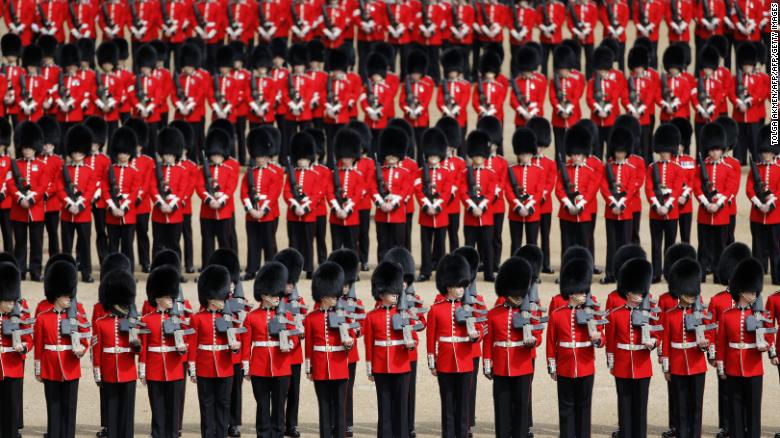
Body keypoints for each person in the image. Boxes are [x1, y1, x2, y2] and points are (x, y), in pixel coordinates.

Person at [716, 258, 777, 438]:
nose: (755, 293)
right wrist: (721, 366)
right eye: (752, 290)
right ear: (742, 292)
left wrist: (766, 346)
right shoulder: (727, 316)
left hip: (754, 367)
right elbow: (721, 343)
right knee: (735, 411)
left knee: (753, 411)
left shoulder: (760, 315)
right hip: (734, 368)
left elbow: (768, 335)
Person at [546, 257, 603, 438]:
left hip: (585, 365)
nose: (585, 295)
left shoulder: (591, 312)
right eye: (581, 292)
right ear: (571, 293)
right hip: (565, 366)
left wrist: (597, 339)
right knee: (566, 408)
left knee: (584, 407)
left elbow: (602, 338)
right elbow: (550, 343)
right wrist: (552, 368)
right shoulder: (557, 315)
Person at [484, 256, 539, 438]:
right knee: (502, 408)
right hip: (500, 366)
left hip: (522, 365)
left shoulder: (529, 312)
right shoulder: (493, 314)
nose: (518, 298)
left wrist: (532, 342)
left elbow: (537, 336)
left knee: (522, 408)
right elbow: (488, 341)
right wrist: (487, 364)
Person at [34, 260, 90, 438]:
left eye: (69, 295)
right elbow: (39, 347)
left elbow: (85, 335)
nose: (69, 299)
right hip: (50, 367)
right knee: (53, 407)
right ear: (57, 296)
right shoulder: (43, 318)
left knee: (69, 408)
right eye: (66, 296)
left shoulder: (77, 313)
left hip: (70, 365)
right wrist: (38, 369)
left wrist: (82, 349)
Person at [427, 254, 481, 438]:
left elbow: (480, 330)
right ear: (448, 287)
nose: (461, 290)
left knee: (464, 404)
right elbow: (430, 339)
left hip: (465, 361)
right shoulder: (436, 309)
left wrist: (475, 336)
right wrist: (432, 362)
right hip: (445, 362)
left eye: (462, 286)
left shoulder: (469, 308)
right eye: (457, 286)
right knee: (447, 404)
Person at [242, 261, 296, 438]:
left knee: (279, 406)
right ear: (264, 295)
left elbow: (294, 338)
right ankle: (263, 434)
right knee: (263, 406)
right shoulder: (251, 317)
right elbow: (246, 344)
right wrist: (246, 368)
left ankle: (278, 434)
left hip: (281, 365)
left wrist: (289, 342)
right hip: (259, 367)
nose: (278, 297)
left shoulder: (286, 315)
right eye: (274, 294)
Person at [606, 258, 658, 438]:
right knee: (624, 405)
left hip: (642, 364)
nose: (640, 295)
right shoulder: (616, 314)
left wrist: (653, 343)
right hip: (622, 364)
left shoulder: (649, 312)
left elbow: (659, 333)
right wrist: (611, 361)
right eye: (636, 292)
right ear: (628, 293)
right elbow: (611, 340)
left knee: (641, 407)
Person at [662, 258, 714, 438]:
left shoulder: (700, 314)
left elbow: (710, 334)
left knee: (696, 406)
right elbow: (666, 342)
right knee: (681, 406)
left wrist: (706, 343)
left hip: (697, 363)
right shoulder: (669, 316)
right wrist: (666, 368)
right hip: (677, 365)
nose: (691, 296)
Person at [140, 265, 191, 438]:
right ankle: (158, 433)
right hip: (154, 368)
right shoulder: (146, 320)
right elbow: (144, 347)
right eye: (168, 297)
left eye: (172, 296)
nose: (171, 300)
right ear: (158, 298)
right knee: (157, 405)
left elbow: (188, 340)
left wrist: (183, 349)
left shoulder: (179, 319)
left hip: (174, 367)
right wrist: (142, 370)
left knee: (173, 406)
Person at [305, 262, 354, 438]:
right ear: (324, 295)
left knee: (340, 407)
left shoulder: (342, 315)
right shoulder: (311, 318)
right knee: (324, 407)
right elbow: (309, 346)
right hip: (320, 367)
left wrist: (349, 342)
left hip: (339, 365)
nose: (336, 298)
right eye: (333, 295)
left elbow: (350, 340)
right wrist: (309, 368)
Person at [188, 265, 239, 438]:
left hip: (224, 366)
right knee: (207, 405)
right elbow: (193, 345)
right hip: (205, 367)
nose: (224, 299)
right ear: (211, 298)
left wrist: (235, 347)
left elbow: (234, 340)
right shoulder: (197, 319)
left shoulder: (228, 318)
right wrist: (193, 370)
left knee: (224, 404)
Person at [365, 260, 414, 438]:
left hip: (400, 365)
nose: (395, 294)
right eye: (392, 292)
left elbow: (414, 338)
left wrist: (410, 343)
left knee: (401, 407)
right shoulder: (371, 316)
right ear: (381, 292)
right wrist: (370, 368)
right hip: (380, 366)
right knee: (384, 407)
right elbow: (369, 344)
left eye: (396, 292)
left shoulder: (404, 313)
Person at [92, 269, 139, 438]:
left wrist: (136, 345)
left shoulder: (132, 322)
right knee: (111, 412)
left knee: (127, 413)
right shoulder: (101, 323)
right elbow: (96, 350)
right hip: (110, 372)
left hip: (127, 371)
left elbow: (137, 347)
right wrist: (98, 372)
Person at [326, 249, 365, 436]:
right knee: (332, 391)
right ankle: (334, 422)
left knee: (347, 391)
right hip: (333, 352)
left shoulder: (356, 303)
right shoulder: (328, 303)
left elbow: (363, 323)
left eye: (348, 285)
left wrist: (357, 330)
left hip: (350, 354)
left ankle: (347, 423)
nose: (345, 288)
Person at [694, 123, 739, 282]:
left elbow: (729, 189)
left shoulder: (728, 167)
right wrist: (706, 203)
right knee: (704, 246)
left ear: (722, 149)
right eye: (712, 149)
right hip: (705, 213)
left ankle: (720, 275)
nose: (714, 152)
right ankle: (702, 275)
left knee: (721, 246)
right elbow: (696, 187)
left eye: (717, 149)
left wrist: (718, 203)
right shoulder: (702, 166)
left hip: (721, 214)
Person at [273, 248, 307, 438]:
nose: (292, 286)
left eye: (293, 283)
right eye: (289, 283)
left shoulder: (299, 300)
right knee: (280, 393)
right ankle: (277, 422)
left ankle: (291, 424)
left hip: (294, 353)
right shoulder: (274, 300)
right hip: (279, 352)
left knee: (294, 392)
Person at [241, 129, 283, 280]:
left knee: (269, 242)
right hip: (252, 214)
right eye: (257, 156)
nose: (259, 159)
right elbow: (243, 191)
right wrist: (251, 209)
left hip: (268, 214)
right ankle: (252, 269)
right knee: (253, 242)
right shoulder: (249, 172)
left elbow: (274, 193)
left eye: (262, 156)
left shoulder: (275, 172)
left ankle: (271, 269)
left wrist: (262, 211)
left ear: (267, 156)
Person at [58, 125, 98, 282]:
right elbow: (59, 188)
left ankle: (86, 273)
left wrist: (79, 205)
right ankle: (67, 273)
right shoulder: (65, 169)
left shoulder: (89, 170)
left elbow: (90, 191)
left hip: (83, 214)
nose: (77, 155)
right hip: (68, 214)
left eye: (80, 152)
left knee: (84, 245)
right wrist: (69, 204)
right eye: (75, 152)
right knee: (67, 247)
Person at [646, 124, 685, 283]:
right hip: (655, 212)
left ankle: (669, 273)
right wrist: (657, 205)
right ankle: (656, 273)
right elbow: (648, 188)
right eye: (661, 151)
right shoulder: (652, 167)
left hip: (671, 212)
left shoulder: (677, 168)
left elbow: (676, 189)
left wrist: (667, 205)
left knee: (670, 244)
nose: (663, 154)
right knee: (656, 244)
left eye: (666, 151)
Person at [8, 122, 47, 281]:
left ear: (35, 147)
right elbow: (9, 184)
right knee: (20, 243)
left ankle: (36, 271)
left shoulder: (41, 165)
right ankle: (21, 269)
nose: (28, 150)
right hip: (19, 210)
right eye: (25, 147)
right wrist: (19, 197)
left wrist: (30, 199)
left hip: (35, 210)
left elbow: (42, 185)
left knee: (37, 243)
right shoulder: (15, 165)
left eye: (30, 148)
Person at [415, 128, 454, 281]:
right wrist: (426, 205)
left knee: (440, 245)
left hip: (441, 213)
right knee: (425, 244)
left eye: (436, 155)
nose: (433, 158)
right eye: (431, 155)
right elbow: (418, 190)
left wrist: (436, 206)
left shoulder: (446, 172)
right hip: (425, 214)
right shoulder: (420, 172)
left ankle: (441, 271)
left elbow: (446, 191)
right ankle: (425, 271)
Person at [283, 131, 323, 279]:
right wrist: (295, 206)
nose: (301, 161)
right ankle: (294, 269)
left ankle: (309, 267)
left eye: (304, 158)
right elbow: (286, 192)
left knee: (307, 242)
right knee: (294, 242)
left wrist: (305, 207)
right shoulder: (291, 173)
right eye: (299, 158)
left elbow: (316, 194)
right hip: (293, 214)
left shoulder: (315, 175)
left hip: (308, 215)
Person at [196, 129, 238, 270]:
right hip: (207, 212)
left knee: (225, 242)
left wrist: (220, 200)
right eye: (214, 154)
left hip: (224, 211)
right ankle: (207, 267)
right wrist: (209, 200)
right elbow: (199, 186)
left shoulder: (229, 168)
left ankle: (227, 269)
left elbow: (231, 187)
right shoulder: (203, 168)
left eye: (218, 154)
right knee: (207, 243)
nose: (216, 157)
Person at [460, 131, 498, 282]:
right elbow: (463, 191)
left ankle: (489, 273)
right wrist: (471, 207)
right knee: (469, 247)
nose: (478, 159)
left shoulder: (490, 173)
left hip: (486, 215)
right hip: (470, 217)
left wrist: (481, 206)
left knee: (488, 246)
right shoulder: (465, 172)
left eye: (480, 156)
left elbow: (491, 192)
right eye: (475, 156)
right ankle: (468, 273)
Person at [0, 262, 31, 438]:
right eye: (7, 301)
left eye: (13, 301)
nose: (12, 305)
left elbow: (29, 339)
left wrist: (22, 347)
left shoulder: (20, 313)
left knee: (12, 413)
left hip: (13, 367)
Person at [506, 127, 545, 256]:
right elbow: (508, 190)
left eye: (528, 154)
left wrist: (528, 206)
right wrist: (518, 206)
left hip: (532, 211)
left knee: (532, 243)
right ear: (518, 154)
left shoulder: (539, 170)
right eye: (522, 154)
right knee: (516, 243)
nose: (525, 157)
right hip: (515, 212)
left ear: (532, 154)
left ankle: (533, 273)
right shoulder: (512, 169)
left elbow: (539, 192)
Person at [151, 128, 188, 260]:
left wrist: (171, 205)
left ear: (175, 154)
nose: (167, 157)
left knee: (174, 245)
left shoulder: (182, 171)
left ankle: (175, 271)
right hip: (158, 213)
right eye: (165, 154)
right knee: (157, 245)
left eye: (170, 155)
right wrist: (161, 203)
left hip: (175, 214)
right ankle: (157, 270)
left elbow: (181, 191)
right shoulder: (156, 169)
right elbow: (152, 187)